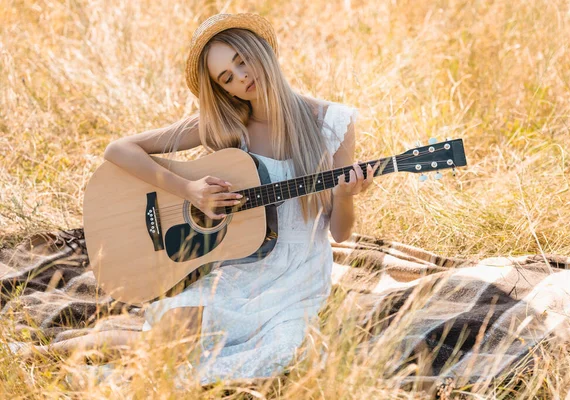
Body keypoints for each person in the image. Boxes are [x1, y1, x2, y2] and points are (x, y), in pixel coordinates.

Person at [21, 13, 379, 382]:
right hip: (237, 266)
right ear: (225, 90)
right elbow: (119, 149)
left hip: (297, 275)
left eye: (242, 60)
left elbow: (340, 233)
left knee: (271, 358)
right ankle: (35, 355)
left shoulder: (332, 122)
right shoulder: (228, 125)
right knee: (165, 342)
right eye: (227, 77)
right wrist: (187, 189)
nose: (241, 76)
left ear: (261, 50)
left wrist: (345, 195)